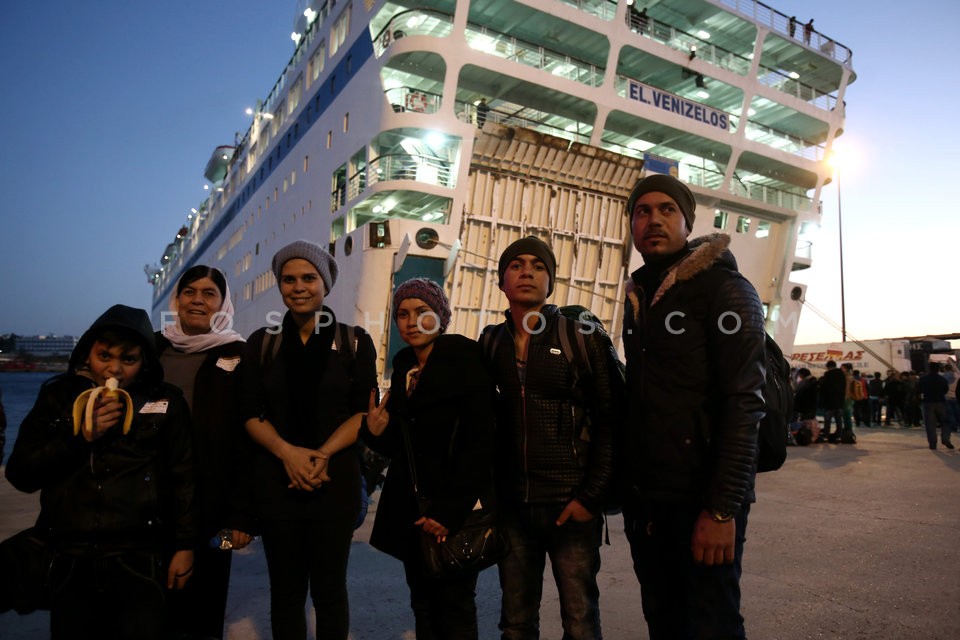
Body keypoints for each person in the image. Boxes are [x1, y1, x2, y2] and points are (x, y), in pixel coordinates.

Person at [620, 174, 765, 639]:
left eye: (666, 210)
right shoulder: (642, 296)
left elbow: (745, 403)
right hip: (651, 502)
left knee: (712, 625)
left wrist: (722, 509)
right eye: (642, 212)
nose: (653, 220)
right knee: (664, 623)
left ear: (688, 222)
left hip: (703, 500)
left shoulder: (726, 290)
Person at [5, 304, 197, 639]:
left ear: (145, 361)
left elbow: (184, 476)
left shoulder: (166, 403)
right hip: (70, 557)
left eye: (129, 359)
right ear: (87, 353)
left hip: (140, 557)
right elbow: (21, 474)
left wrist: (185, 545)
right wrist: (80, 438)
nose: (115, 369)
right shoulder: (58, 397)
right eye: (104, 356)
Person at [481, 235, 621, 640]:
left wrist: (590, 497)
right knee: (515, 623)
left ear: (551, 282)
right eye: (517, 265)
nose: (527, 272)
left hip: (570, 505)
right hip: (514, 508)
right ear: (502, 281)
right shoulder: (491, 342)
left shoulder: (579, 333)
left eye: (538, 266)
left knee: (579, 622)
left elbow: (611, 417)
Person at [241, 240, 377, 640]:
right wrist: (288, 453)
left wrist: (319, 455)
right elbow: (249, 413)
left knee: (330, 591)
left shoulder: (353, 342)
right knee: (285, 593)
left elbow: (362, 411)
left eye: (308, 278)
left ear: (325, 283)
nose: (298, 287)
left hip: (334, 482)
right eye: (288, 279)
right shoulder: (263, 343)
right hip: (277, 483)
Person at [362, 277, 496, 639]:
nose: (411, 321)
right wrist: (376, 432)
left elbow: (481, 444)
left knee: (455, 610)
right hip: (412, 509)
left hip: (452, 511)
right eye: (402, 314)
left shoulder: (466, 363)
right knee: (421, 605)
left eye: (422, 312)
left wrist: (447, 512)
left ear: (441, 316)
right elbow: (405, 448)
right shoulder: (405, 367)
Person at [156, 265, 256, 640]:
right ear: (177, 299)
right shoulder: (153, 349)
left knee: (208, 598)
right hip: (154, 500)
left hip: (219, 509)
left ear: (223, 302)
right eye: (190, 291)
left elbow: (249, 442)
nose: (198, 300)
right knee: (154, 601)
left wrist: (243, 518)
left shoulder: (240, 354)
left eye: (209, 293)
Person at [918, 363, 951, 450]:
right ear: (938, 369)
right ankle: (945, 438)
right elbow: (945, 390)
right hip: (940, 401)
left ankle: (933, 443)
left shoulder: (923, 379)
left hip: (928, 402)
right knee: (945, 422)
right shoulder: (942, 379)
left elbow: (919, 389)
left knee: (930, 424)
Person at [818, 360, 846, 443]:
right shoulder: (842, 374)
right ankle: (839, 436)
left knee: (828, 420)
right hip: (840, 401)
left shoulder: (828, 374)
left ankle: (826, 435)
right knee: (839, 420)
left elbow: (824, 388)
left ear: (828, 366)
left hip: (830, 402)